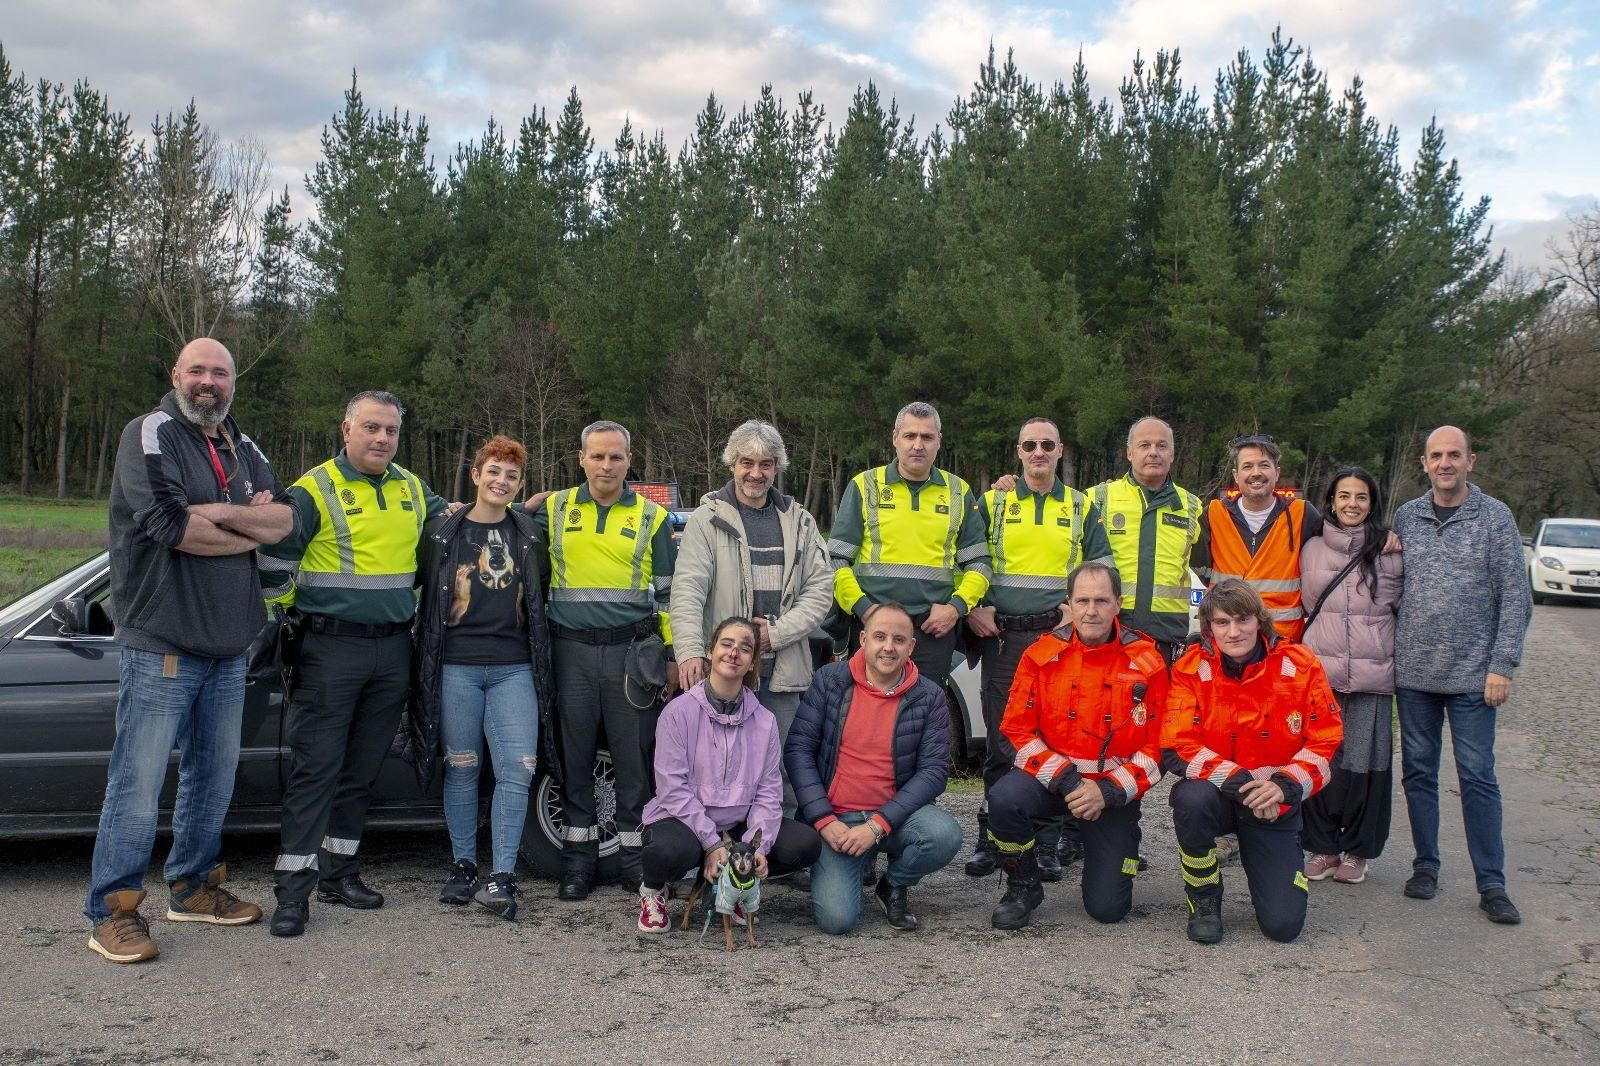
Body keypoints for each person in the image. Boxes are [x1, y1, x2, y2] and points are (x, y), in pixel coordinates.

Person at [85, 338, 292, 964]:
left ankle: (194, 888)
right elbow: (171, 527)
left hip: (232, 643)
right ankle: (112, 909)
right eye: (197, 370)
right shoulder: (148, 434)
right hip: (164, 642)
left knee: (213, 774)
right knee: (138, 781)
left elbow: (284, 519)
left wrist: (222, 516)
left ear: (234, 383)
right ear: (176, 375)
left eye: (221, 372)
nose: (209, 381)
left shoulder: (241, 443)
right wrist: (242, 525)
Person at [259, 390, 450, 938]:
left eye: (390, 430)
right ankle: (292, 892)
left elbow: (455, 524)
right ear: (346, 430)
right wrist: (282, 621)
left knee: (360, 773)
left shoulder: (412, 487)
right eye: (370, 428)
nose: (381, 439)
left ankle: (339, 875)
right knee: (315, 770)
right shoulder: (315, 488)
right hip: (329, 648)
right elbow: (275, 560)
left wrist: (516, 507)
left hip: (393, 647)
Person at [407, 435, 557, 921]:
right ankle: (465, 865)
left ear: (519, 484)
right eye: (493, 471)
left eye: (512, 475)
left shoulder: (529, 535)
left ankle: (503, 876)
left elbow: (542, 591)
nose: (502, 481)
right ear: (476, 475)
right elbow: (422, 587)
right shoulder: (441, 533)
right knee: (462, 766)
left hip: (515, 667)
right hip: (455, 667)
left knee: (518, 769)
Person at [531, 420, 678, 901]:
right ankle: (578, 861)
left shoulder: (654, 518)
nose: (606, 465)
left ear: (629, 461)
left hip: (631, 654)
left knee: (632, 760)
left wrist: (673, 656)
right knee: (573, 759)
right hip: (569, 650)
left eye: (616, 456)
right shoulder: (554, 509)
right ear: (581, 459)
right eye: (597, 456)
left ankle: (635, 863)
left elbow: (669, 597)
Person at [1391, 426, 1532, 924]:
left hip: (1475, 677)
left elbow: (1515, 596)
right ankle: (1425, 865)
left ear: (1471, 461)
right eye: (1436, 455)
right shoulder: (1407, 516)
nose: (1445, 462)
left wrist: (1502, 664)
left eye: (1454, 454)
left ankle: (1491, 883)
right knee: (1418, 775)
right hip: (1414, 675)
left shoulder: (1494, 517)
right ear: (1424, 463)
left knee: (1477, 777)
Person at [963, 417, 1113, 881]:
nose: (1039, 451)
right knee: (1002, 740)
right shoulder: (994, 500)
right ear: (1019, 450)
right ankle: (994, 836)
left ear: (1060, 450)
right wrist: (974, 607)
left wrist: (1077, 608)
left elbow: (1102, 565)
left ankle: (1046, 842)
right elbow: (965, 558)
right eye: (1030, 444)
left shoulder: (1081, 504)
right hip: (1005, 639)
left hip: (1058, 641)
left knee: (1055, 739)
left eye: (1048, 444)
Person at [985, 563, 1170, 930]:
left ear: (1118, 603)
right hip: (1055, 783)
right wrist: (1070, 783)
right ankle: (1023, 886)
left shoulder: (1147, 662)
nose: (1091, 610)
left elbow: (1160, 747)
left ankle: (1113, 848)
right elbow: (1013, 731)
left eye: (1101, 600)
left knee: (1108, 909)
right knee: (1005, 797)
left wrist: (1109, 791)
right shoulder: (1041, 655)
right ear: (1068, 603)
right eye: (1082, 600)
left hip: (1111, 792)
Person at [1162, 579, 1342, 943]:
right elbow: (1176, 745)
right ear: (1209, 627)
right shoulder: (1191, 668)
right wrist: (1243, 785)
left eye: (1242, 620)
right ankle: (1204, 898)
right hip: (1221, 797)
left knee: (1283, 927)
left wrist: (1284, 787)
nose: (1233, 632)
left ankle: (1273, 856)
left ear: (1260, 621)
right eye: (1222, 622)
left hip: (1273, 804)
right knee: (1189, 798)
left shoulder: (1300, 665)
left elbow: (1328, 744)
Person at [671, 420, 835, 818]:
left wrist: (774, 635)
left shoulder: (800, 520)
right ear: (732, 463)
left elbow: (821, 591)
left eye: (766, 464)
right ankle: (716, 853)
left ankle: (783, 854)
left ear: (777, 466)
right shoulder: (707, 518)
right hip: (722, 670)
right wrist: (691, 651)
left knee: (784, 764)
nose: (756, 473)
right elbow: (688, 590)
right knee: (715, 764)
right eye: (747, 462)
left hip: (782, 670)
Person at [785, 602, 963, 934]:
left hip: (894, 818)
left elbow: (933, 772)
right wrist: (823, 820)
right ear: (863, 640)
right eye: (879, 637)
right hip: (837, 818)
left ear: (911, 647)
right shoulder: (829, 682)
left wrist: (877, 826)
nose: (888, 647)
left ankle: (893, 883)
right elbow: (799, 751)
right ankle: (856, 859)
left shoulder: (930, 696)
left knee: (944, 834)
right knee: (837, 921)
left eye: (899, 639)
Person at [636, 617, 823, 932]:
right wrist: (711, 843)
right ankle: (653, 891)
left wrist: (755, 849)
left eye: (745, 648)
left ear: (752, 663)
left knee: (804, 844)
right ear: (710, 651)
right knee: (664, 851)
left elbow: (768, 792)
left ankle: (734, 884)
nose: (734, 653)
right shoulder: (677, 712)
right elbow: (671, 788)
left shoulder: (764, 721)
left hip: (737, 826)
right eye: (726, 644)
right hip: (686, 823)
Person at [827, 401, 990, 691]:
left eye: (927, 437)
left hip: (932, 630)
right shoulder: (865, 485)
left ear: (939, 441)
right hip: (874, 625)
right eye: (910, 436)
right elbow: (836, 560)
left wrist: (956, 608)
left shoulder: (959, 491)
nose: (918, 445)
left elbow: (979, 565)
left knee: (925, 718)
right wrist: (864, 609)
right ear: (895, 438)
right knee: (869, 715)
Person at [1299, 467, 1403, 887]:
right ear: (1331, 500)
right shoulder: (1310, 550)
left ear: (1372, 503)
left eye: (1361, 497)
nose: (1352, 505)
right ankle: (1322, 847)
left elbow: (1399, 609)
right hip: (1321, 676)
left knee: (1366, 768)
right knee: (1323, 764)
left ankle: (1358, 851)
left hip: (1371, 677)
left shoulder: (1390, 551)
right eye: (1344, 496)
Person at [1090, 417, 1205, 665]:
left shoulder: (1191, 506)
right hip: (1108, 634)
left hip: (1165, 639)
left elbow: (1206, 568)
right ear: (1130, 453)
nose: (1153, 453)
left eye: (1161, 446)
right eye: (1144, 445)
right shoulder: (1096, 499)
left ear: (1172, 454)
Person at [1191, 435, 1321, 642]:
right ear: (1236, 475)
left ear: (1276, 472)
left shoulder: (1303, 514)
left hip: (1282, 641)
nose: (1256, 473)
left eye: (1264, 465)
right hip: (1227, 639)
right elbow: (1199, 565)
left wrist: (1381, 536)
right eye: (1248, 466)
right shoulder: (1214, 514)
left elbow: (1338, 544)